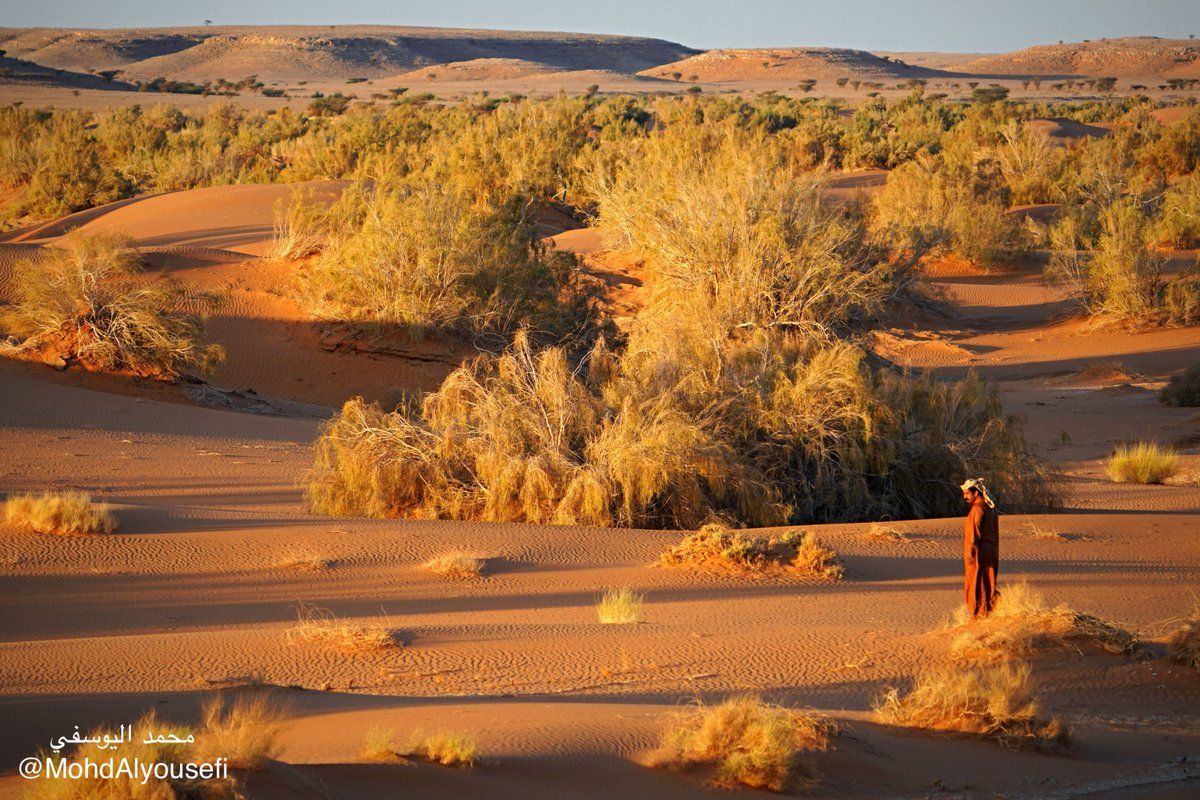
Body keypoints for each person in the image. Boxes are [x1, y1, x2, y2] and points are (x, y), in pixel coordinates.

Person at [960, 478, 999, 619]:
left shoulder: (977, 509)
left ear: (975, 493)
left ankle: (979, 615)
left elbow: (973, 533)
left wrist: (970, 552)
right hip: (990, 550)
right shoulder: (989, 507)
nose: (965, 497)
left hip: (980, 551)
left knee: (978, 583)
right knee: (988, 582)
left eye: (967, 493)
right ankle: (989, 612)